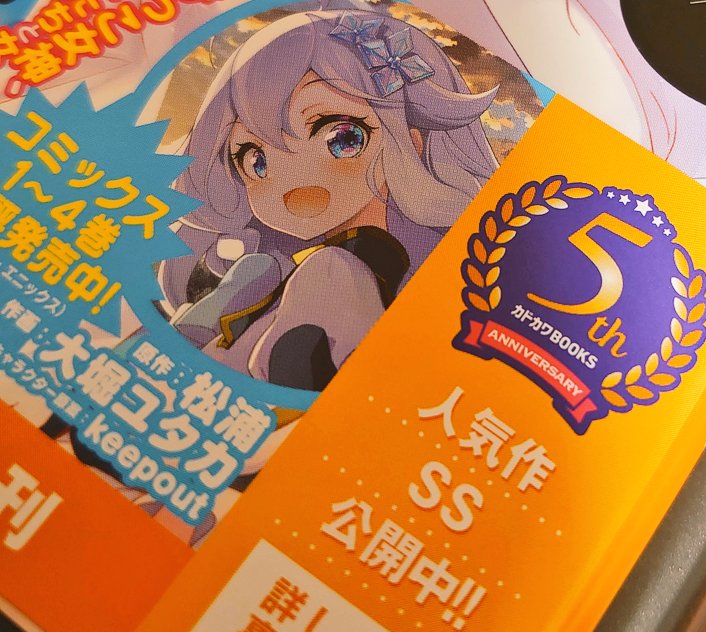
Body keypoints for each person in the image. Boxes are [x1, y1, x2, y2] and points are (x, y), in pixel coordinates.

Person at [159, 8, 500, 391]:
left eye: (343, 139)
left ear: (411, 141)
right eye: (256, 161)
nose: (294, 190)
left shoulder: (447, 267)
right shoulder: (261, 266)